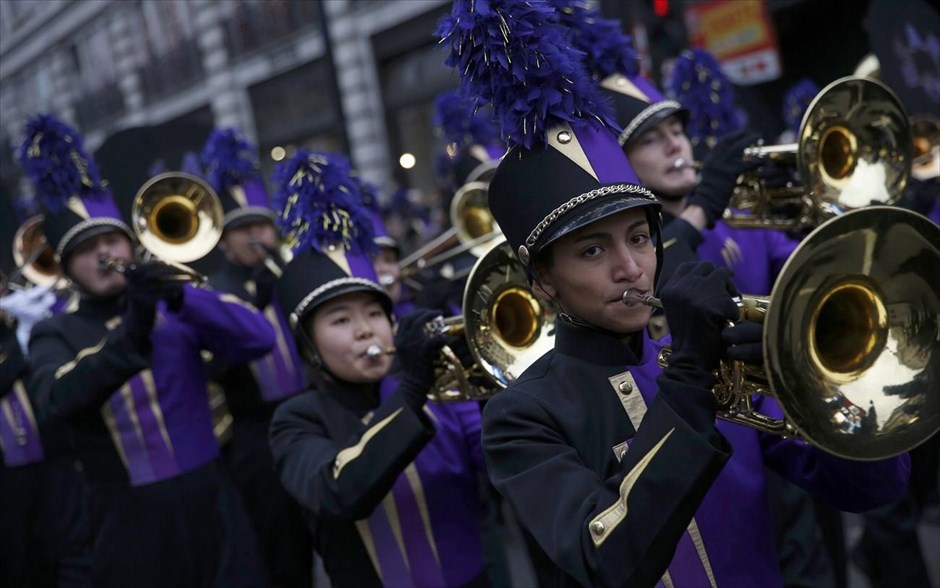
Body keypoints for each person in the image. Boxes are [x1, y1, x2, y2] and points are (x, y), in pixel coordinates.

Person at [437, 1, 911, 585]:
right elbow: (605, 554)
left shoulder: (721, 372)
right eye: (592, 250)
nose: (630, 267)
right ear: (541, 280)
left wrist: (807, 380)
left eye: (639, 236)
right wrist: (687, 379)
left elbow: (873, 487)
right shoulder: (520, 415)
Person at [19, 113, 275, 588]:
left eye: (111, 239)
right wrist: (132, 331)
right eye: (86, 247)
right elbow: (57, 400)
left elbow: (258, 339)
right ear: (67, 266)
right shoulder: (56, 332)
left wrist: (181, 297)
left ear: (131, 242)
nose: (103, 253)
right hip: (127, 519)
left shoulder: (176, 304)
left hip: (214, 499)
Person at [268, 150, 489, 587]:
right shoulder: (295, 420)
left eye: (374, 314)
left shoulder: (440, 395)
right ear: (310, 347)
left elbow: (501, 466)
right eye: (341, 320)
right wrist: (410, 391)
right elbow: (336, 492)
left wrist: (498, 378)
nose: (365, 331)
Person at [201, 128, 313, 588]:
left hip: (310, 417)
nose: (256, 237)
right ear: (225, 241)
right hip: (255, 433)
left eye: (262, 226)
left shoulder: (289, 273)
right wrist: (254, 306)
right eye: (243, 229)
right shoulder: (217, 291)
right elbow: (213, 368)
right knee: (278, 548)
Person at [1, 286, 90, 587]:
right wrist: (22, 343)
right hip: (9, 482)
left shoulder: (18, 323)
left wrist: (52, 316)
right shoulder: (17, 335)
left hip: (59, 461)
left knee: (76, 558)